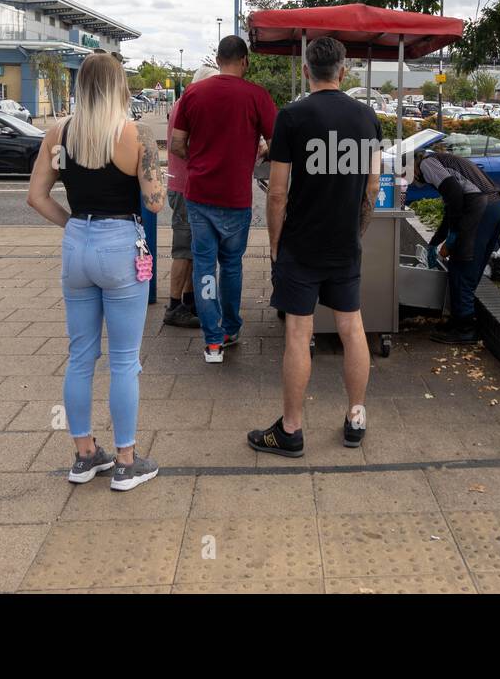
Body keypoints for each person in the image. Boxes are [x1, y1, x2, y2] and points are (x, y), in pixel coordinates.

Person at [27, 53, 166, 492]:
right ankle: (126, 461)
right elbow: (156, 201)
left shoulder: (58, 133)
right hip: (120, 245)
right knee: (125, 360)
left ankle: (85, 455)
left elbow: (36, 197)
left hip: (77, 246)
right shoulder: (135, 134)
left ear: (81, 88)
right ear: (120, 86)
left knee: (81, 356)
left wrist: (73, 226)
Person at [249, 37, 381, 458]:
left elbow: (277, 194)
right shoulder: (367, 118)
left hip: (301, 246)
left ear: (307, 71)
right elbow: (372, 187)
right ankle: (356, 417)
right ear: (343, 72)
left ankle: (291, 430)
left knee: (298, 333)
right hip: (344, 245)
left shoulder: (292, 116)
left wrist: (274, 246)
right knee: (352, 328)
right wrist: (356, 232)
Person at [169, 35, 277, 364]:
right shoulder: (257, 96)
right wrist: (259, 149)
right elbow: (276, 141)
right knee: (231, 267)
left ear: (217, 60)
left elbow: (176, 144)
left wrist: (200, 158)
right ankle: (230, 328)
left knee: (204, 267)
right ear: (244, 61)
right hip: (236, 198)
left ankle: (212, 341)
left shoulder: (193, 93)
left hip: (199, 196)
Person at [414, 145, 500, 344]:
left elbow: (455, 196)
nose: (414, 180)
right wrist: (435, 242)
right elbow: (452, 206)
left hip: (481, 208)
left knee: (462, 266)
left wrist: (453, 236)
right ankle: (459, 320)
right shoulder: (444, 160)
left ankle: (465, 329)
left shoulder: (426, 163)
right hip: (496, 205)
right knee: (472, 267)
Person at [162, 64, 218, 328]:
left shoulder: (185, 103)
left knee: (193, 248)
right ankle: (174, 305)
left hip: (184, 185)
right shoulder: (190, 105)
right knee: (184, 250)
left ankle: (188, 300)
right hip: (186, 186)